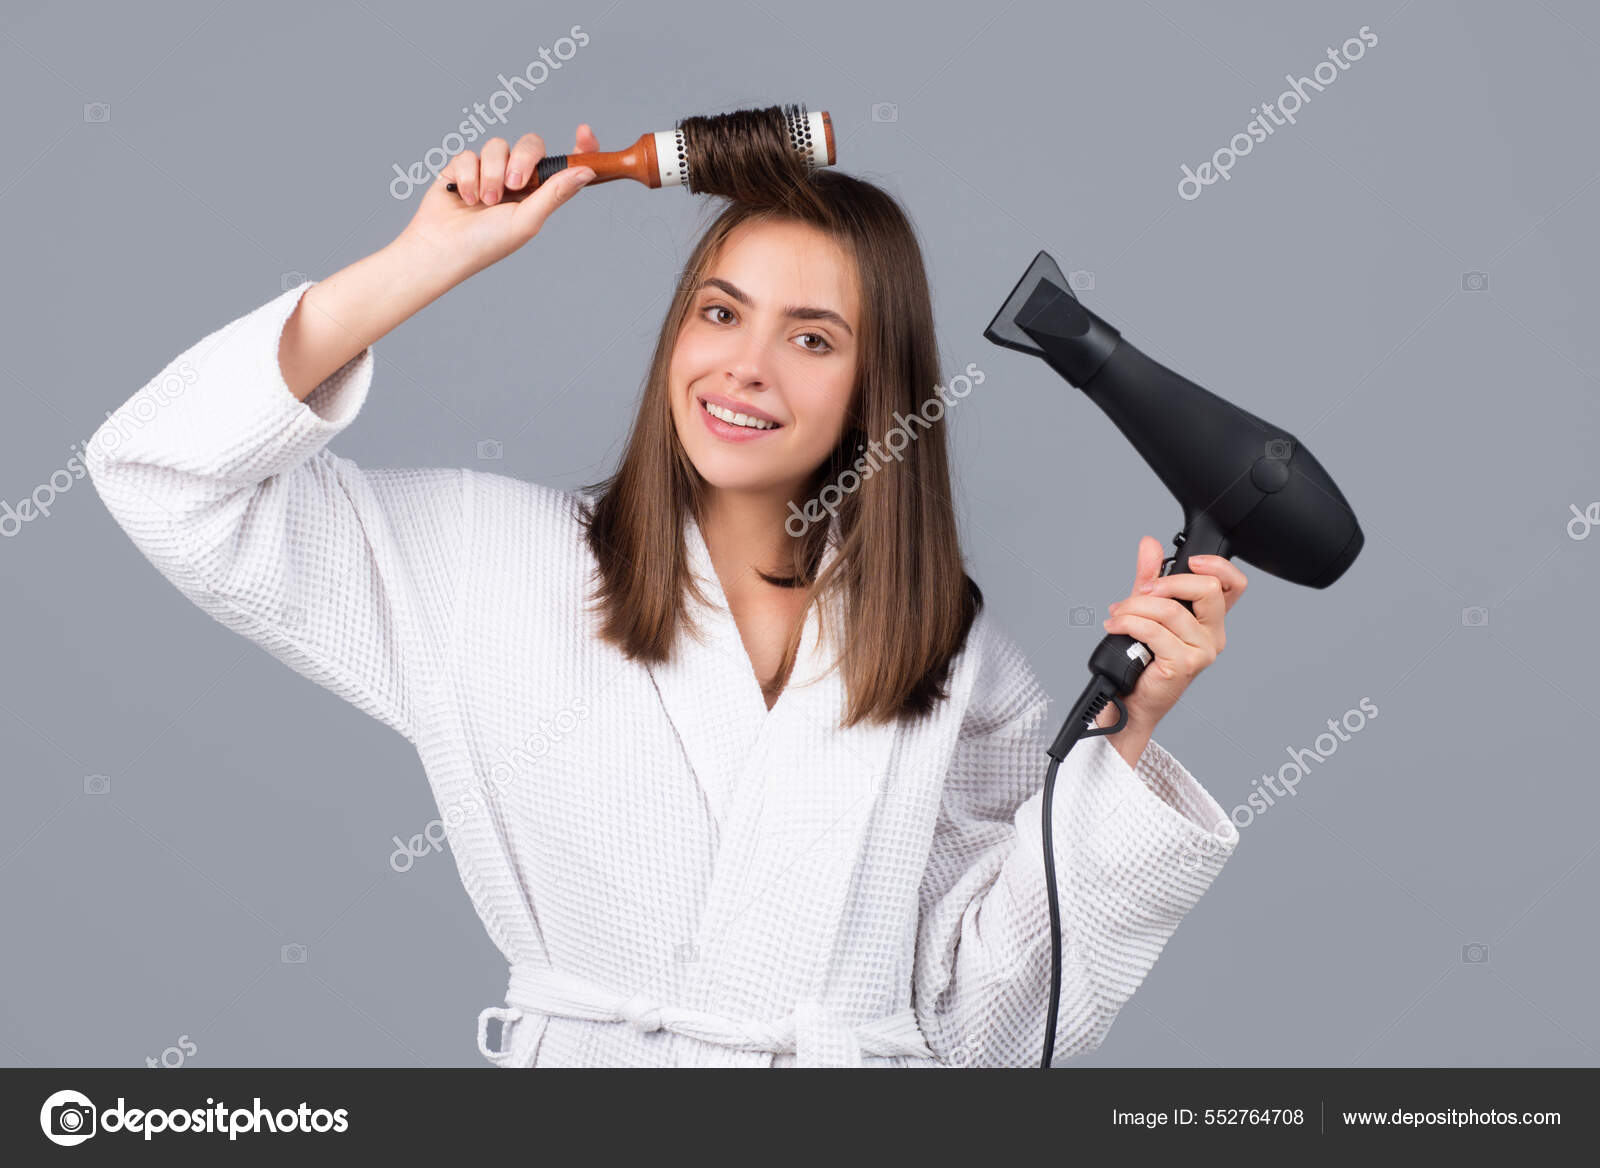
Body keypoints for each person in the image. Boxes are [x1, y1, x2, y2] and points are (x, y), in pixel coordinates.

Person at [85, 123, 1248, 1067]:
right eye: (720, 311)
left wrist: (1128, 734)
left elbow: (983, 1029)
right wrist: (424, 261)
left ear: (873, 384)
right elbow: (166, 474)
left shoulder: (943, 648)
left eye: (811, 337)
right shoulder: (490, 561)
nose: (744, 365)